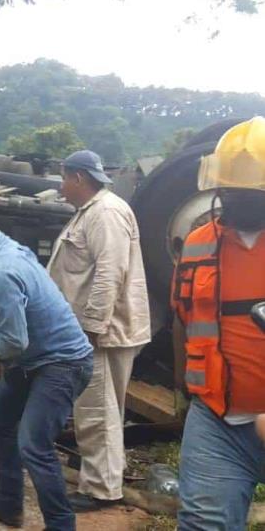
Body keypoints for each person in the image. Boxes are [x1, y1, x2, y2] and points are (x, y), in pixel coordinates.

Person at [0, 200, 93, 530]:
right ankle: (9, 504)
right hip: (34, 361)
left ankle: (61, 525)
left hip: (62, 363)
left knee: (34, 444)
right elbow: (0, 301)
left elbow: (14, 341)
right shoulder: (4, 249)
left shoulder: (1, 268)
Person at [172, 116, 265, 530]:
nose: (238, 201)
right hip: (216, 419)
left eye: (252, 193)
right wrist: (186, 390)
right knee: (203, 523)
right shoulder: (198, 243)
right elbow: (187, 319)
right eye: (230, 190)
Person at [46, 149, 151, 511]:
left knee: (97, 410)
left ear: (79, 177)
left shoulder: (105, 213)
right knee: (103, 408)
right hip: (98, 330)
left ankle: (102, 490)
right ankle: (109, 473)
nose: (61, 187)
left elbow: (110, 274)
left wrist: (91, 328)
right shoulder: (93, 212)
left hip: (101, 334)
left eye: (63, 179)